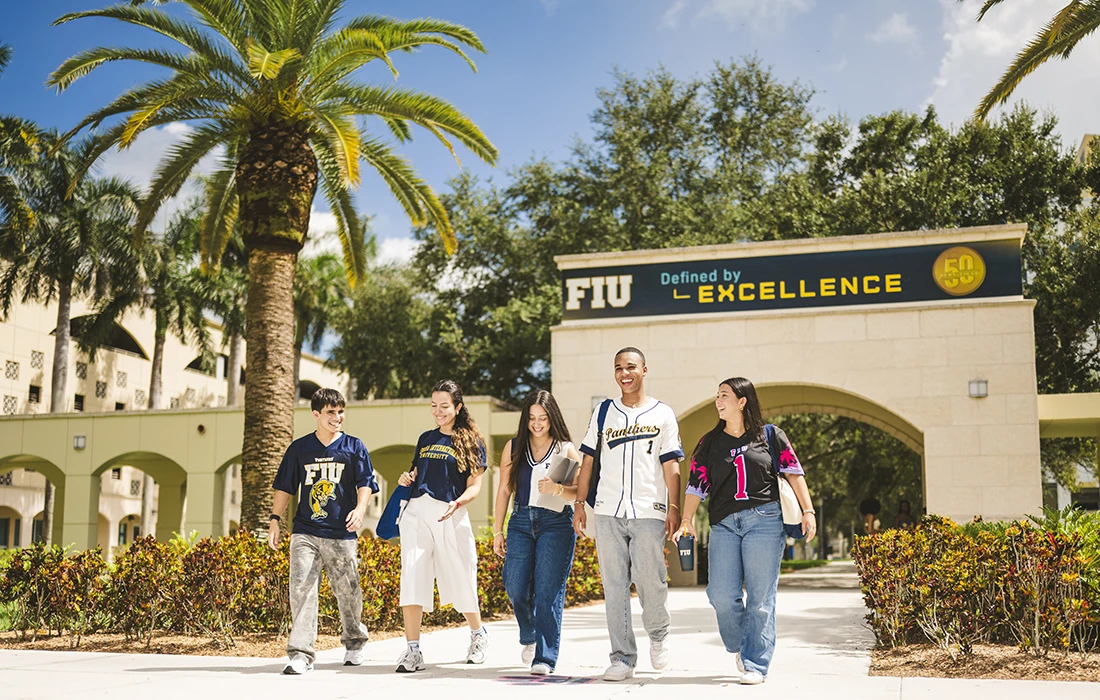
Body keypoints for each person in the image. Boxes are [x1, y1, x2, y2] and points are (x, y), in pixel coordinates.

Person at [675, 377, 816, 685]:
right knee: (721, 595)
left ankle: (756, 663)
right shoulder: (709, 442)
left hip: (765, 521)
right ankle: (742, 644)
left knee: (761, 598)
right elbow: (695, 485)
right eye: (716, 396)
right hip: (724, 524)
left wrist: (808, 511)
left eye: (724, 395)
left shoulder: (770, 436)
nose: (718, 400)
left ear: (742, 401)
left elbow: (794, 473)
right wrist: (686, 520)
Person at [572, 347, 683, 682]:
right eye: (619, 368)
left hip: (650, 510)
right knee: (615, 586)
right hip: (607, 511)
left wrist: (674, 508)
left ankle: (659, 635)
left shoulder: (663, 413)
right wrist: (579, 504)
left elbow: (671, 464)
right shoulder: (604, 412)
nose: (624, 373)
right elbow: (588, 461)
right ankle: (622, 657)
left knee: (651, 581)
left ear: (644, 370)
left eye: (631, 367)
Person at [268, 388, 378, 675]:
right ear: (316, 414)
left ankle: (354, 643)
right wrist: (274, 519)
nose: (337, 417)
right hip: (305, 530)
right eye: (331, 412)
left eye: (341, 411)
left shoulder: (354, 447)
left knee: (348, 591)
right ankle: (301, 654)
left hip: (342, 532)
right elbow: (285, 486)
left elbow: (366, 482)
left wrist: (360, 509)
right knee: (302, 589)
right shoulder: (299, 449)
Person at [395, 379, 491, 673]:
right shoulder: (425, 438)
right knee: (412, 574)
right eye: (433, 405)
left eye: (444, 406)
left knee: (461, 575)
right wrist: (405, 478)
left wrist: (459, 502)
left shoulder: (471, 441)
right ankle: (413, 651)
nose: (438, 411)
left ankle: (478, 634)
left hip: (450, 511)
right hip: (416, 512)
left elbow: (475, 486)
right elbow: (415, 472)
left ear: (458, 407)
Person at [493, 390, 581, 676]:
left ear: (551, 417)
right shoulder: (514, 446)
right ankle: (529, 634)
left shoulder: (565, 448)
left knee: (547, 592)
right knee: (515, 585)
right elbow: (504, 488)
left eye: (542, 418)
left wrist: (555, 489)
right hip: (520, 520)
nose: (537, 423)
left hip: (555, 523)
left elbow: (579, 491)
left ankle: (544, 657)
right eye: (531, 418)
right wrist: (497, 530)